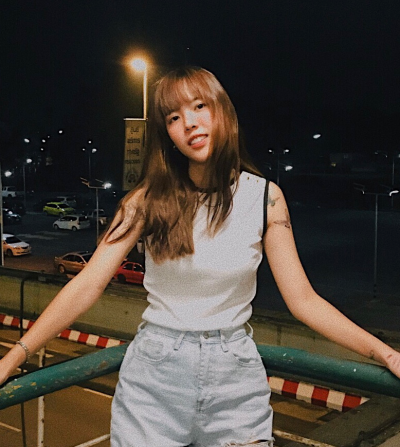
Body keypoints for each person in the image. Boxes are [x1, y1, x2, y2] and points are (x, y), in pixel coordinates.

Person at [1, 66, 400, 447]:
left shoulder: (265, 198)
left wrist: (385, 354)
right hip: (154, 378)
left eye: (199, 106)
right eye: (174, 118)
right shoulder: (146, 200)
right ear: (167, 135)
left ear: (222, 111)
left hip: (235, 380)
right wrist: (15, 355)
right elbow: (88, 283)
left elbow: (304, 301)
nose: (189, 123)